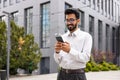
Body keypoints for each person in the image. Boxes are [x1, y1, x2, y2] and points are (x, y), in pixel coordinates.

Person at [54, 8, 92, 80]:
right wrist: (57, 52)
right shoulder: (63, 37)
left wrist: (70, 50)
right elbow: (58, 61)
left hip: (78, 76)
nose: (68, 23)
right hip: (61, 75)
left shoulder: (86, 36)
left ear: (78, 21)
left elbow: (86, 58)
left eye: (71, 20)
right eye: (67, 20)